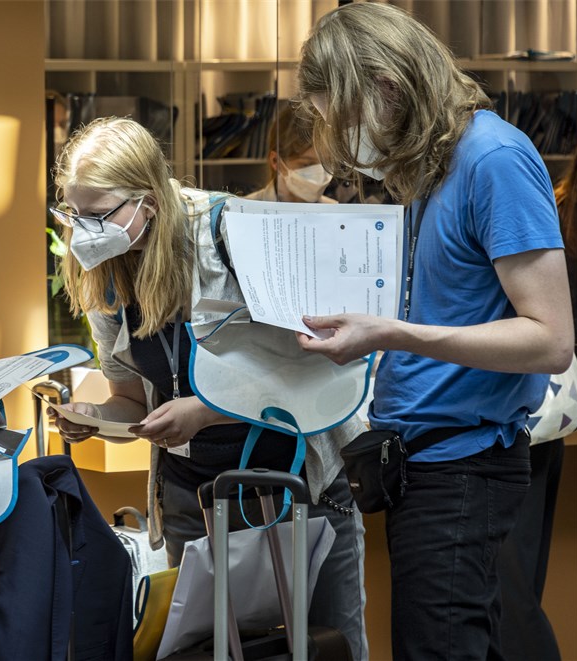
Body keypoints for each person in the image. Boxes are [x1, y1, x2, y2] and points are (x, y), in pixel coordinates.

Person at [294, 4, 574, 659]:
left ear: (388, 86)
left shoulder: (494, 158)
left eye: (345, 115)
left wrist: (393, 332)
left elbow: (551, 337)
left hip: (463, 468)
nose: (345, 138)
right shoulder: (431, 168)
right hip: (420, 465)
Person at [48, 116, 369, 660]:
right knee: (200, 653)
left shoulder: (233, 232)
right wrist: (99, 416)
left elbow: (316, 369)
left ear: (147, 200)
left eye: (99, 214)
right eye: (75, 214)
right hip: (192, 498)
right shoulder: (105, 270)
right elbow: (130, 397)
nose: (85, 230)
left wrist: (204, 411)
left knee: (325, 646)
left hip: (298, 489)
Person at [495, 140, 577, 661]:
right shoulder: (553, 212)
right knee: (516, 588)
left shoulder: (555, 205)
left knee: (514, 588)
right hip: (549, 410)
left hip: (533, 404)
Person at [245, 103, 335, 204]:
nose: (320, 173)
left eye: (327, 163)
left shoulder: (336, 212)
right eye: (307, 164)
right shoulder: (242, 211)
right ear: (276, 161)